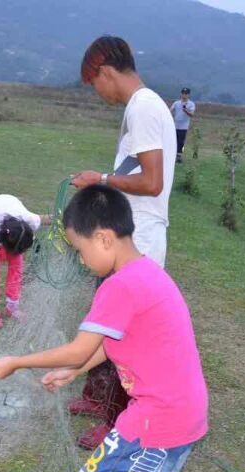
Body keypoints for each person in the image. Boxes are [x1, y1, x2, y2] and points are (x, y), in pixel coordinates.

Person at [0, 185, 208, 472]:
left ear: (104, 238)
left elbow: (78, 346)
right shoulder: (146, 273)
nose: (82, 261)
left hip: (157, 417)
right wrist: (77, 370)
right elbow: (109, 341)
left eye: (81, 250)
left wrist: (17, 361)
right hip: (180, 413)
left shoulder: (120, 286)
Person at [69, 35, 178, 449]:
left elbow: (152, 182)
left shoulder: (144, 106)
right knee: (105, 316)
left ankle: (118, 420)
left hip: (140, 241)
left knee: (124, 334)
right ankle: (98, 396)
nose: (99, 93)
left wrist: (99, 179)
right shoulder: (142, 107)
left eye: (94, 83)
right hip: (124, 236)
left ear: (106, 72)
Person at [0, 195, 51, 328]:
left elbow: (48, 218)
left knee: (17, 264)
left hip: (10, 211)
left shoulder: (31, 221)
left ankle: (12, 306)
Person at [170, 87, 196, 162]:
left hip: (184, 126)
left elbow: (192, 114)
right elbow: (170, 110)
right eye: (183, 93)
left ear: (189, 95)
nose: (184, 95)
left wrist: (186, 111)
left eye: (186, 94)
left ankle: (179, 155)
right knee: (173, 140)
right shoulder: (176, 103)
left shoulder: (191, 104)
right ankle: (172, 154)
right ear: (181, 94)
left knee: (181, 141)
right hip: (175, 125)